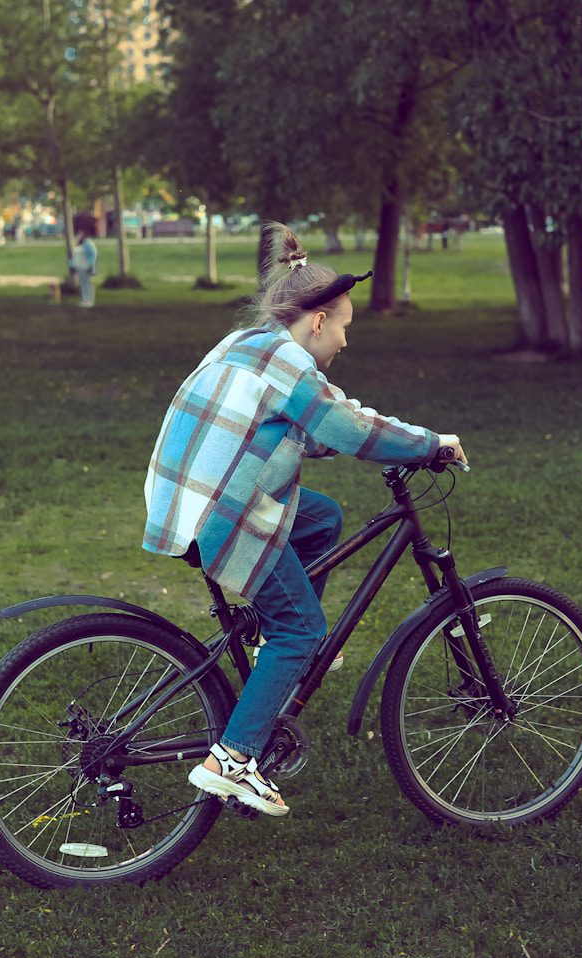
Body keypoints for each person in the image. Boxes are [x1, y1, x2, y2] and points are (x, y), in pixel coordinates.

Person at [142, 222, 467, 817]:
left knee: (321, 517)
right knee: (303, 629)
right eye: (344, 327)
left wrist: (368, 436)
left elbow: (307, 426)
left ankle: (274, 642)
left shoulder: (252, 343)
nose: (345, 341)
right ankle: (233, 760)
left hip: (186, 496)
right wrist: (429, 444)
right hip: (221, 510)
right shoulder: (290, 365)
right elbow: (347, 427)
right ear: (317, 321)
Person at [69, 231, 99, 307]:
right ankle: (85, 300)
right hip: (81, 268)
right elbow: (75, 257)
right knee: (83, 284)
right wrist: (72, 265)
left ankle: (89, 301)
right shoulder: (80, 245)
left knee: (87, 284)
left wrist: (90, 266)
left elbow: (93, 255)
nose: (78, 237)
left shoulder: (88, 244)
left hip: (86, 267)